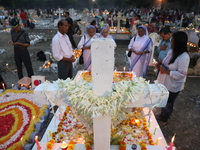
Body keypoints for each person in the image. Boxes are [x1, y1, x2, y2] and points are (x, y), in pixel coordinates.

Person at [155, 31, 190, 125]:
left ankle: (164, 119)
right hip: (165, 80)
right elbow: (167, 63)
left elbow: (182, 74)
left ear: (179, 43)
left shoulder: (184, 57)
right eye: (172, 42)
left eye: (173, 42)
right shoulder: (172, 51)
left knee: (169, 102)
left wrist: (166, 71)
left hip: (173, 84)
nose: (171, 44)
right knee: (163, 99)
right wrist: (160, 65)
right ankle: (162, 114)